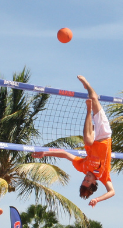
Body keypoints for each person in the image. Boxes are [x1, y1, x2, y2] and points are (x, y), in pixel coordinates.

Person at [33, 76, 115, 207]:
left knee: (88, 141)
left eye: (84, 180)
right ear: (94, 183)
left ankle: (88, 109)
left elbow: (65, 154)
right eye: (88, 181)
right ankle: (88, 86)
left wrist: (45, 153)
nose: (86, 178)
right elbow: (112, 192)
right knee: (94, 98)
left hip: (92, 137)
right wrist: (97, 199)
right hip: (104, 135)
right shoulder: (103, 176)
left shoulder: (82, 167)